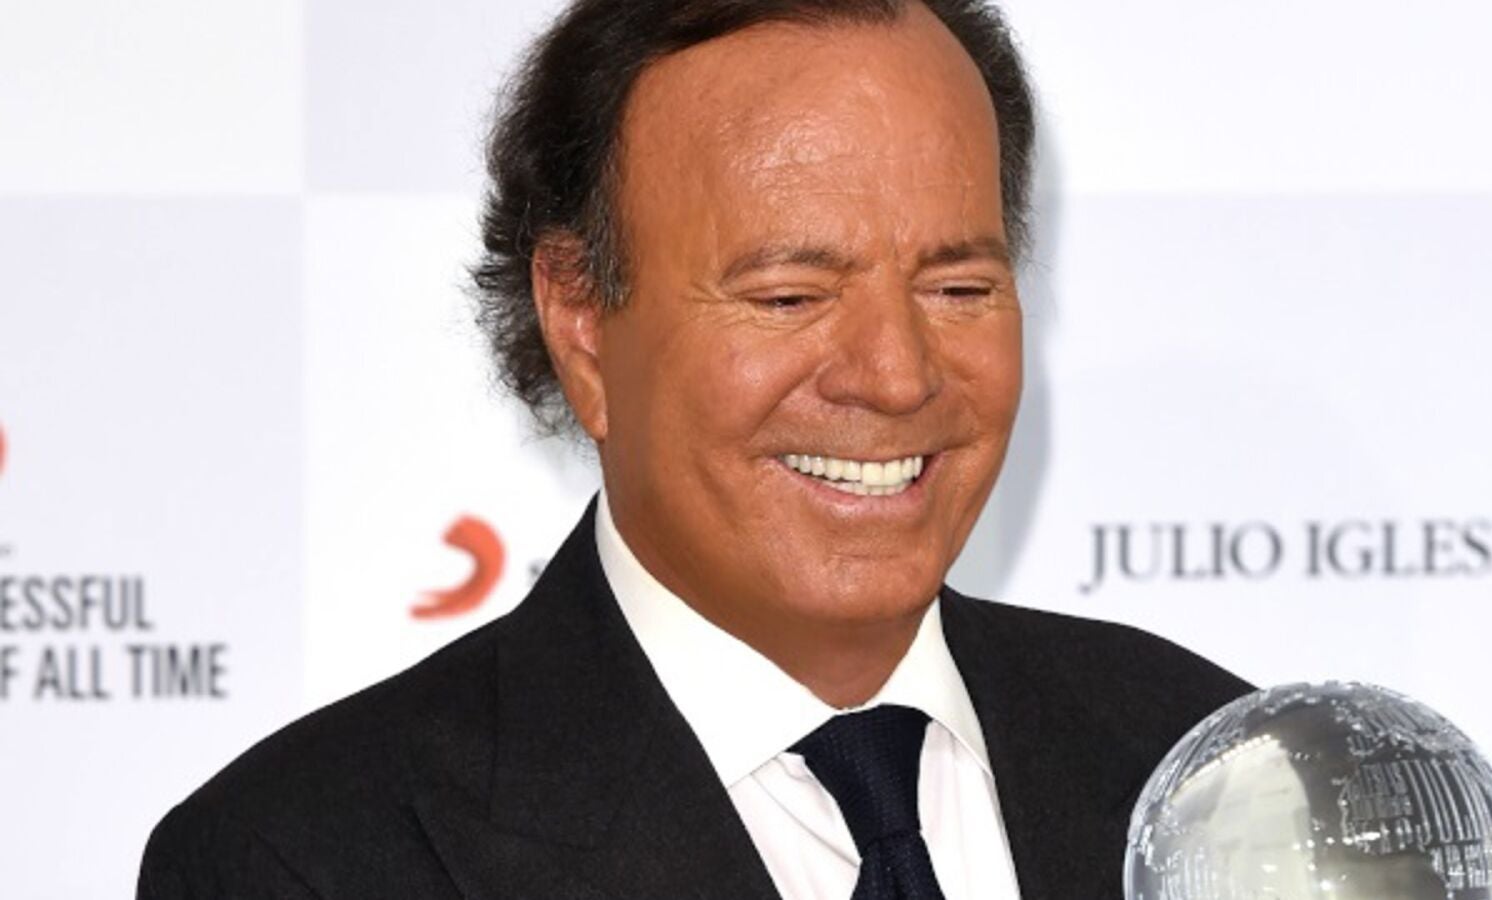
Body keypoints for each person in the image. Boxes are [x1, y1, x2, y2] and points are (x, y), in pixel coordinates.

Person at [138, 1, 1249, 897]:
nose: (895, 374)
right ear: (582, 323)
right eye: (789, 296)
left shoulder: (1212, 772)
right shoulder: (305, 860)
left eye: (958, 288)